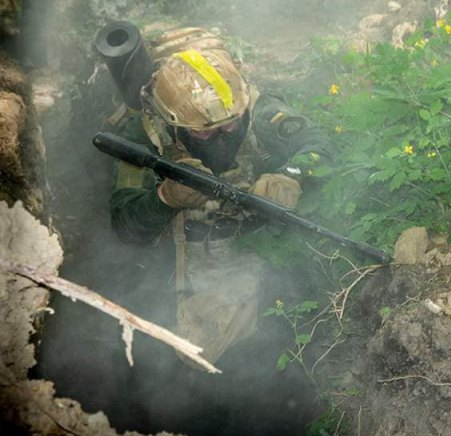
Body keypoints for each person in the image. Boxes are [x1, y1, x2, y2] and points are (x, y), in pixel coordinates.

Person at [107, 27, 330, 366]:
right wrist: (165, 198)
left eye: (229, 125)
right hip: (177, 268)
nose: (220, 136)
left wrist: (291, 176)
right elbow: (124, 225)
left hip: (257, 254)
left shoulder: (252, 106)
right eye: (202, 130)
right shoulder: (142, 135)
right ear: (174, 122)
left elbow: (319, 143)